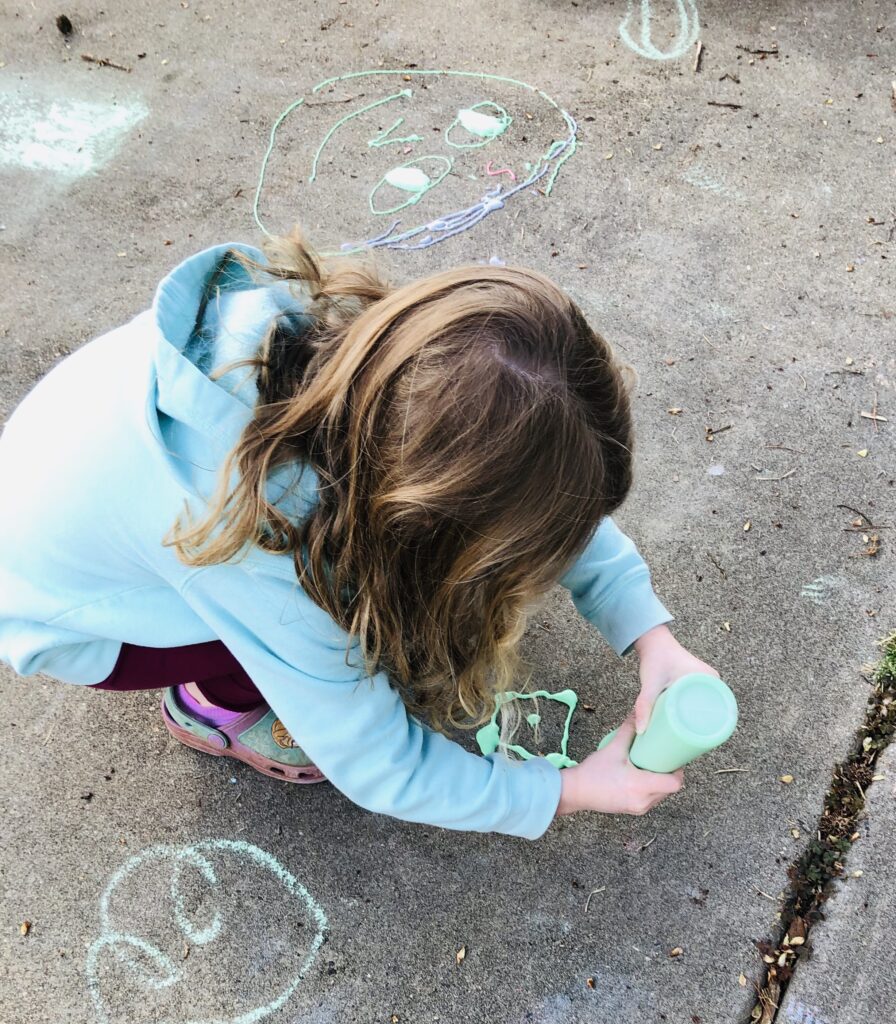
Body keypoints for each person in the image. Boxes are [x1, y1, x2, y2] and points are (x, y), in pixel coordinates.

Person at [0, 227, 718, 838]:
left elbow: (528, 480)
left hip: (79, 493)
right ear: (427, 523)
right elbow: (382, 768)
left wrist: (651, 634)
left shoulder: (395, 380)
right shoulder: (266, 550)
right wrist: (567, 790)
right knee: (304, 642)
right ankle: (213, 704)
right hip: (65, 618)